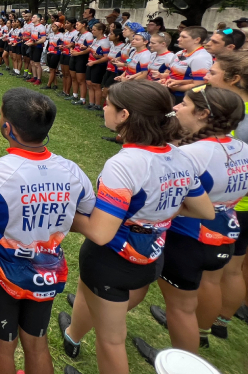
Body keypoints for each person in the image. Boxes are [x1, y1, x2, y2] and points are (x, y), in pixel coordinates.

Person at [58, 81, 215, 374]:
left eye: (109, 103)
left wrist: (63, 213)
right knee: (92, 298)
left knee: (112, 341)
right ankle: (72, 336)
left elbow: (101, 232)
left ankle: (75, 337)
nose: (104, 107)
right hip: (152, 255)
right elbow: (205, 209)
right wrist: (157, 211)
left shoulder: (125, 164)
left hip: (112, 258)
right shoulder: (179, 155)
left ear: (124, 115)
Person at [0, 88, 94, 374]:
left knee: (3, 345)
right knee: (37, 342)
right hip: (47, 271)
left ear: (7, 127)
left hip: (0, 272)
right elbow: (86, 213)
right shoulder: (73, 171)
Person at [140, 86, 248, 357]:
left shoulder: (191, 154)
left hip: (188, 237)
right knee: (205, 288)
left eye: (184, 104)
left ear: (203, 114)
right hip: (224, 232)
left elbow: (164, 197)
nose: (176, 107)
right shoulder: (242, 148)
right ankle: (202, 333)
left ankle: (183, 360)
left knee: (180, 309)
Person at [204, 51, 248, 337]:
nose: (207, 77)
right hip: (240, 205)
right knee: (233, 267)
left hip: (231, 204)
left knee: (212, 275)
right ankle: (222, 321)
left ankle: (200, 328)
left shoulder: (239, 121)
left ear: (233, 79)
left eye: (213, 72)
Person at [163, 26, 214, 102]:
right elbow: (170, 73)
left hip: (184, 98)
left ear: (197, 40)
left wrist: (174, 87)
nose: (178, 39)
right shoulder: (180, 53)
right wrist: (163, 78)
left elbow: (199, 85)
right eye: (180, 36)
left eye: (183, 37)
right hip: (169, 93)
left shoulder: (201, 57)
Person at [84, 22, 111, 110]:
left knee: (96, 85)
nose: (92, 31)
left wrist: (95, 61)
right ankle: (91, 103)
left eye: (94, 30)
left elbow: (106, 57)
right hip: (90, 62)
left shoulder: (105, 42)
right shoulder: (95, 40)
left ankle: (97, 104)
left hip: (98, 65)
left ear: (101, 31)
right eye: (92, 30)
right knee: (89, 83)